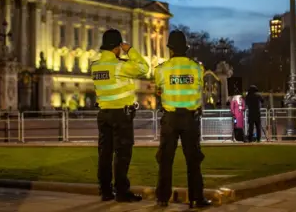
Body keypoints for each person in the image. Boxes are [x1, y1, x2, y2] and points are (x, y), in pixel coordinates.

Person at [154, 30, 212, 209]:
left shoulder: (161, 69)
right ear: (186, 49)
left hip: (170, 118)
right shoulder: (197, 68)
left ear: (170, 49)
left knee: (165, 159)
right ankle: (196, 198)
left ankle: (163, 197)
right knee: (193, 160)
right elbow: (199, 89)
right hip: (190, 118)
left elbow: (158, 90)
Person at [91, 28, 149, 202]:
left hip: (103, 114)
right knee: (122, 154)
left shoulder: (95, 66)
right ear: (117, 48)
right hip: (121, 115)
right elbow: (143, 68)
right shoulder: (120, 66)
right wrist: (130, 50)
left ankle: (105, 190)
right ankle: (122, 191)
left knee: (105, 153)